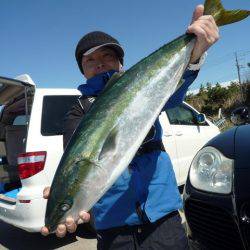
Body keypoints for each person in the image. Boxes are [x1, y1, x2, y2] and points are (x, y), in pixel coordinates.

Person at [41, 4, 219, 249]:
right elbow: (77, 157)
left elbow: (174, 93)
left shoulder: (143, 92)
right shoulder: (78, 110)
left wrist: (194, 55)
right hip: (113, 227)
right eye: (90, 60)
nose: (99, 64)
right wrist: (64, 192)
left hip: (162, 216)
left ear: (121, 65)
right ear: (82, 70)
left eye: (107, 56)